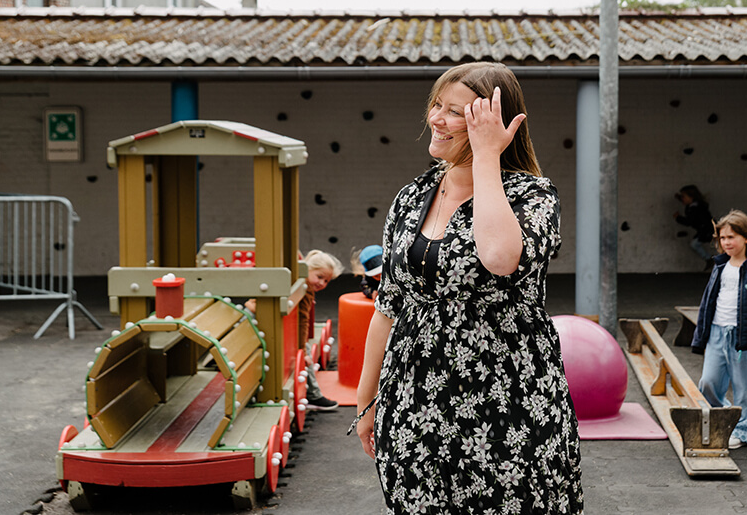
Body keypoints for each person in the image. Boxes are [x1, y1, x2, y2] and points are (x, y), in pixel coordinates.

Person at [352, 62, 584, 513]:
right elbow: (389, 305)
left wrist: (487, 157)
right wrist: (366, 402)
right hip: (414, 406)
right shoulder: (410, 198)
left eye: (456, 112)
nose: (436, 119)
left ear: (493, 125)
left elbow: (500, 258)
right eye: (436, 105)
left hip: (509, 407)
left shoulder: (533, 197)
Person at [691, 210, 747, 449]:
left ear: (746, 238)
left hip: (742, 337)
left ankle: (746, 431)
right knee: (708, 381)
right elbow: (708, 302)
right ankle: (727, 417)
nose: (726, 242)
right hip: (717, 332)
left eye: (732, 237)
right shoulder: (719, 267)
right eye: (722, 238)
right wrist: (701, 336)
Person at [244, 249, 344, 410]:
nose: (322, 284)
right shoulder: (305, 289)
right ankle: (314, 395)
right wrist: (303, 349)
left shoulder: (295, 279)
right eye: (319, 277)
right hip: (261, 318)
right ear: (307, 269)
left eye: (326, 281)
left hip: (253, 312)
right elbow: (302, 321)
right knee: (307, 356)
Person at [673, 184, 715, 270]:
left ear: (691, 197)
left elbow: (689, 221)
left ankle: (711, 260)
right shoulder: (695, 205)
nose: (682, 199)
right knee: (695, 244)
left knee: (696, 244)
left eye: (683, 197)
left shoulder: (695, 208)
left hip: (707, 229)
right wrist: (679, 198)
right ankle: (710, 260)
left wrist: (678, 218)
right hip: (705, 229)